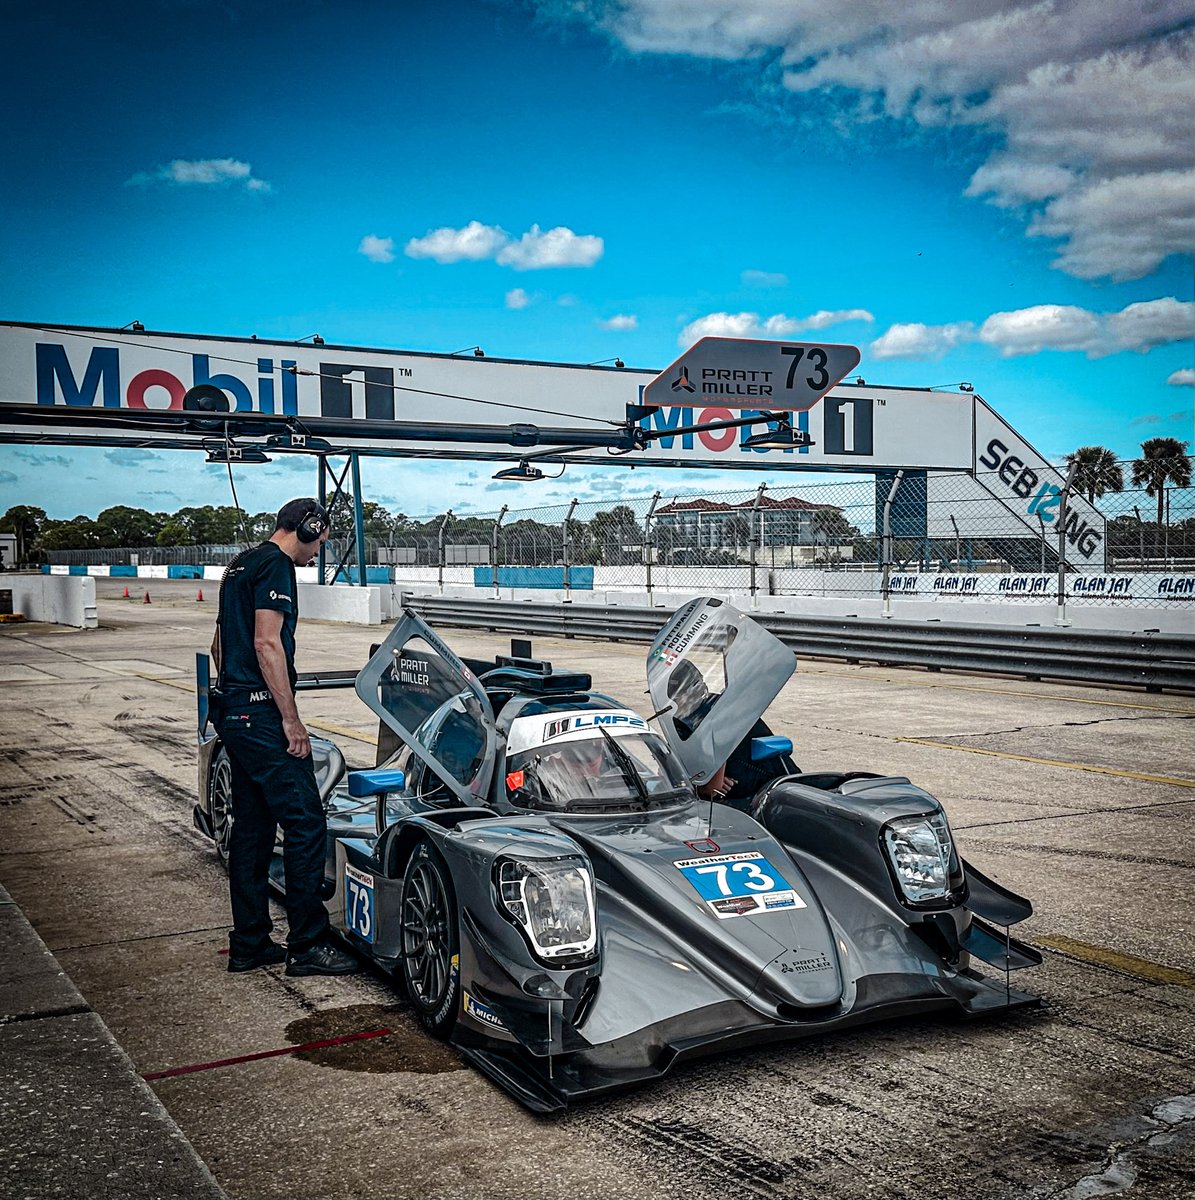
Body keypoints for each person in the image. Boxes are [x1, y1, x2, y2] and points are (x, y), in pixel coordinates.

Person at [210, 498, 358, 977]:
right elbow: (266, 642)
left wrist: (237, 691)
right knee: (306, 821)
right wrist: (289, 720)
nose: (319, 553)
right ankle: (308, 944)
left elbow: (219, 645)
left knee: (252, 833)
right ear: (309, 528)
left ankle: (249, 943)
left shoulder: (240, 565)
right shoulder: (275, 566)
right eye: (321, 541)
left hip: (234, 714)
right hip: (262, 717)